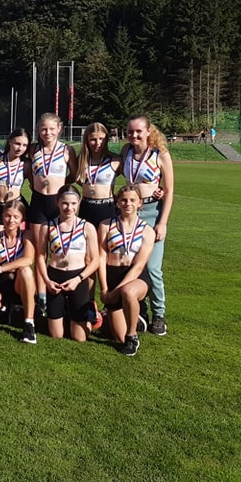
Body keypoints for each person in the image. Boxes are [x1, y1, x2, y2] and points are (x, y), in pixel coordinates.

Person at [121, 115, 174, 336]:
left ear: (148, 131)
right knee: (132, 264)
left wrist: (163, 222)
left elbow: (169, 190)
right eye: (130, 131)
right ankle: (139, 309)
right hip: (130, 214)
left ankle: (159, 314)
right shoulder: (126, 151)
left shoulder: (160, 154)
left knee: (152, 268)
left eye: (138, 131)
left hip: (152, 213)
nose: (134, 135)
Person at [27, 112, 78, 316]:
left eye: (51, 129)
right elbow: (28, 170)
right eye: (43, 129)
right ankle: (42, 297)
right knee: (40, 251)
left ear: (59, 129)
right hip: (38, 202)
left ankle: (65, 292)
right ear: (38, 131)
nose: (47, 132)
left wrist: (63, 185)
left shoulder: (67, 150)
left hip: (58, 204)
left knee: (61, 249)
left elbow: (74, 174)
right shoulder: (33, 149)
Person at [97, 185, 156, 357]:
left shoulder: (147, 231)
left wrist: (115, 292)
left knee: (128, 292)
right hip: (112, 274)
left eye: (132, 200)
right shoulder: (106, 225)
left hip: (136, 277)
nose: (127, 203)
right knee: (118, 338)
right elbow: (101, 257)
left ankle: (132, 336)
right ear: (117, 202)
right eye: (123, 200)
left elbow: (139, 265)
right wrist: (104, 289)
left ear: (140, 203)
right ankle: (131, 317)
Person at [36, 188, 99, 342]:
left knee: (79, 337)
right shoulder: (47, 227)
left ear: (78, 203)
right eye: (65, 203)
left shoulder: (87, 227)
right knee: (56, 335)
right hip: (55, 277)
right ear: (57, 202)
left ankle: (89, 314)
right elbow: (40, 257)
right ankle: (64, 312)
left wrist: (78, 279)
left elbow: (95, 260)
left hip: (77, 277)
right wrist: (47, 281)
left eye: (73, 204)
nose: (69, 208)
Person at [0, 200, 37, 343]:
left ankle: (29, 323)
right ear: (2, 216)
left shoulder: (27, 235)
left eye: (16, 217)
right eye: (7, 216)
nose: (11, 220)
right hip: (1, 282)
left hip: (19, 283)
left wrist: (0, 268)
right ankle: (3, 307)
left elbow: (28, 260)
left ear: (22, 218)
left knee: (26, 271)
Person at [76, 122, 121, 227]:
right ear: (86, 140)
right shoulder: (80, 160)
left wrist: (157, 188)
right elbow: (75, 178)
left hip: (107, 207)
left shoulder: (115, 160)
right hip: (86, 207)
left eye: (101, 139)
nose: (97, 143)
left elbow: (132, 179)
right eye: (93, 139)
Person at [0, 128, 30, 233]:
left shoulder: (26, 164)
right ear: (10, 141)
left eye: (24, 145)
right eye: (17, 144)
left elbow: (35, 184)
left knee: (20, 239)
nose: (20, 148)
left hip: (17, 206)